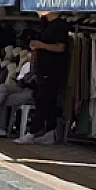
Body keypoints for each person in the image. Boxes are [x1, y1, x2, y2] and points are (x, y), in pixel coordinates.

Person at [18, 12, 69, 146]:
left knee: (43, 99)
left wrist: (41, 45)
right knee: (47, 101)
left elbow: (61, 47)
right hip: (43, 70)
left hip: (52, 71)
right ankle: (49, 132)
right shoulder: (46, 25)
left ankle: (32, 132)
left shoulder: (59, 26)